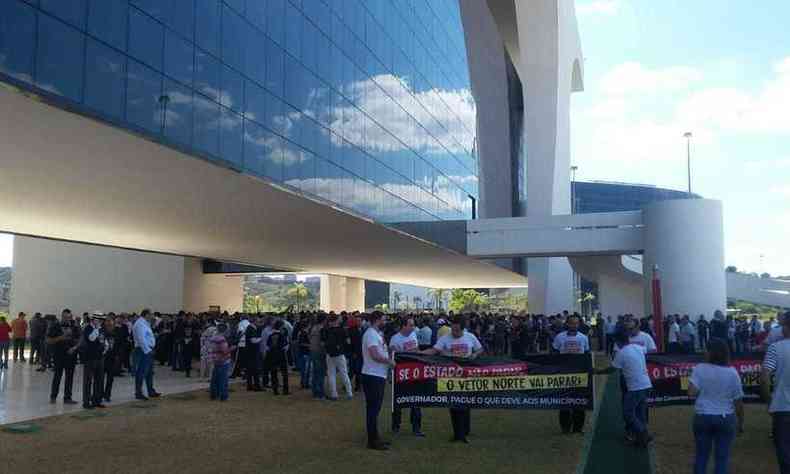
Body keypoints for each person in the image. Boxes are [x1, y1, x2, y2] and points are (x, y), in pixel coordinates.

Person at [421, 315, 483, 443]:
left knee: (465, 404)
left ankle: (465, 430)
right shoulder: (445, 338)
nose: (454, 332)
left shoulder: (470, 337)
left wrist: (475, 354)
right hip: (451, 377)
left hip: (466, 376)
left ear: (462, 329)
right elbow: (434, 350)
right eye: (453, 329)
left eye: (457, 330)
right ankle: (458, 434)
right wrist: (418, 353)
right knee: (454, 404)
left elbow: (480, 348)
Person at [688, 338, 744, 474]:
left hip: (703, 416)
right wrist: (740, 422)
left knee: (701, 456)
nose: (704, 352)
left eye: (706, 350)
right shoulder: (732, 372)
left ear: (712, 352)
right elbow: (738, 402)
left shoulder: (699, 368)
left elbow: (691, 393)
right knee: (722, 459)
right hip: (725, 417)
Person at [611, 330, 653, 448]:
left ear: (618, 341)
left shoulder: (621, 353)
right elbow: (649, 350)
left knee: (628, 413)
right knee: (640, 412)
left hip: (635, 387)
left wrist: (598, 371)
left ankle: (644, 434)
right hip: (646, 384)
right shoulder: (638, 347)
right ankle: (642, 438)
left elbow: (613, 369)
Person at [761, 311, 790, 473]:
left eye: (783, 324)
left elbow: (764, 377)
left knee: (784, 453)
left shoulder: (775, 348)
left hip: (782, 407)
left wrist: (768, 400)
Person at [361, 312, 395, 450]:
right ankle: (372, 441)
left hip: (378, 375)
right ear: (376, 320)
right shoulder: (370, 334)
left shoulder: (376, 334)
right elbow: (374, 354)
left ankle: (376, 437)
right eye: (383, 320)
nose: (385, 322)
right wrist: (389, 361)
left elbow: (380, 350)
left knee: (375, 409)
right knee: (373, 410)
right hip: (372, 375)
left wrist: (390, 350)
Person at [552, 315, 590, 434]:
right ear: (567, 324)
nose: (574, 325)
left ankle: (578, 428)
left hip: (580, 375)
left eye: (576, 323)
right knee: (564, 402)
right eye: (572, 323)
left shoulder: (583, 338)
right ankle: (565, 427)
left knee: (579, 401)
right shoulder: (559, 337)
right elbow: (554, 352)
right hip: (563, 374)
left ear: (579, 324)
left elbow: (587, 354)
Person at [389, 317, 424, 437]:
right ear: (404, 326)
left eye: (413, 325)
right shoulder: (395, 339)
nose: (413, 327)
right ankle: (396, 427)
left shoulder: (413, 335)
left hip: (414, 373)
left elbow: (417, 350)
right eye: (411, 325)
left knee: (416, 401)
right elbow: (393, 355)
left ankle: (416, 428)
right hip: (401, 374)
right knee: (398, 401)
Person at [48, 309, 79, 404]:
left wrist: (74, 348)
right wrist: (60, 338)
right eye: (65, 317)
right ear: (61, 316)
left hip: (71, 356)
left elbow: (79, 340)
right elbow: (49, 340)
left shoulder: (74, 327)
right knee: (57, 376)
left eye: (69, 317)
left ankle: (67, 398)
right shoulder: (55, 326)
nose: (67, 319)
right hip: (59, 355)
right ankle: (53, 396)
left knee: (69, 377)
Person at [132, 310, 160, 401]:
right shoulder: (140, 324)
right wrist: (147, 350)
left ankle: (150, 391)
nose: (152, 316)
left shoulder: (145, 323)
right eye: (151, 314)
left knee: (149, 372)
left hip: (147, 349)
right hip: (143, 350)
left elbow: (147, 336)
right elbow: (141, 339)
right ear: (146, 315)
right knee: (141, 372)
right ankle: (138, 393)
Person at [81, 314, 107, 409]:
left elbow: (103, 339)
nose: (101, 321)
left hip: (100, 357)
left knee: (99, 380)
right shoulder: (88, 328)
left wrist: (105, 347)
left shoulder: (101, 328)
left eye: (101, 319)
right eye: (99, 319)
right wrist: (96, 328)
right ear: (94, 319)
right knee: (88, 381)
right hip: (90, 358)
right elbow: (91, 338)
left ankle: (96, 400)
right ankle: (86, 402)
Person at [324, 315, 353, 401]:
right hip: (340, 354)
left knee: (331, 374)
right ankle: (349, 393)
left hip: (329, 354)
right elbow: (348, 342)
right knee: (344, 373)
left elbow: (324, 342)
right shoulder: (342, 330)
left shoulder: (327, 330)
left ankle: (334, 394)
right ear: (336, 321)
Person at [209, 323, 235, 401]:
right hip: (223, 361)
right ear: (225, 330)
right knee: (223, 379)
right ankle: (224, 396)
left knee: (215, 379)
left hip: (215, 360)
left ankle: (213, 394)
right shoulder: (222, 339)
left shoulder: (213, 338)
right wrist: (232, 348)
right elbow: (225, 351)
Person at [266, 320, 290, 395]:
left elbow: (267, 347)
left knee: (274, 373)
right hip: (281, 355)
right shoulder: (282, 336)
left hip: (273, 355)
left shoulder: (270, 336)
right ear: (281, 327)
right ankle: (285, 390)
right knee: (284, 373)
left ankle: (275, 390)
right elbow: (285, 347)